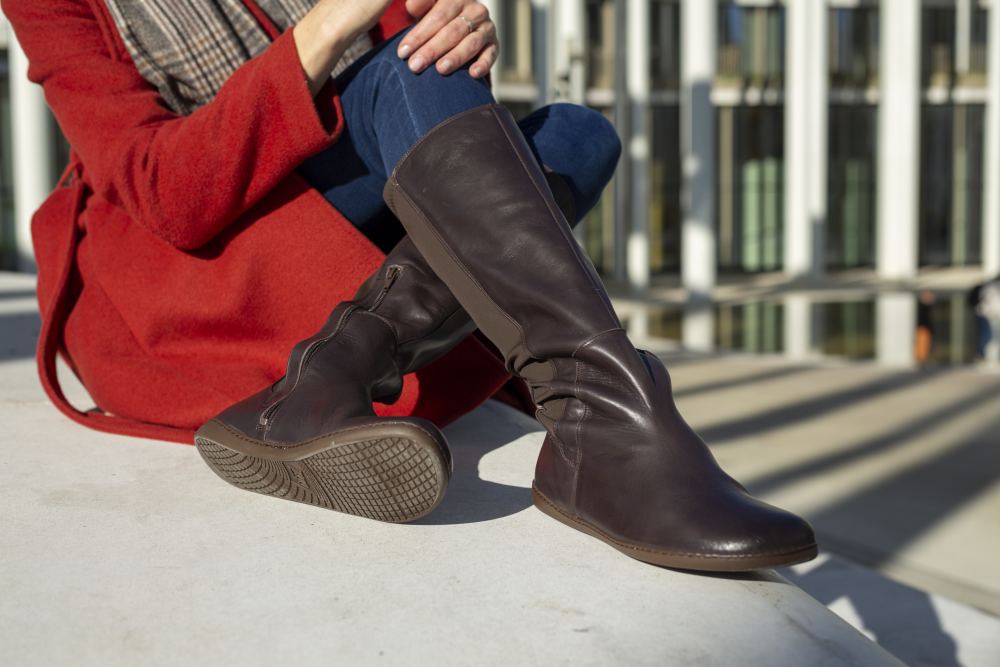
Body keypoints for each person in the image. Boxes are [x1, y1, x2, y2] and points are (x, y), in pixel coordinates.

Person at [6, 0, 816, 572]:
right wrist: (325, 26)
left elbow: (414, 78)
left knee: (575, 132)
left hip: (330, 183)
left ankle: (330, 371)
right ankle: (603, 416)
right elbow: (162, 192)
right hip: (196, 257)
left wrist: (454, 33)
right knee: (403, 68)